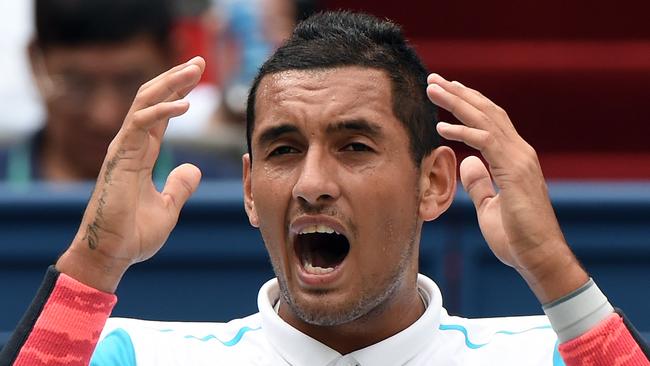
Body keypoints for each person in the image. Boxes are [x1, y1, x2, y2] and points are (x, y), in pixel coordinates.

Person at [1, 11, 648, 366]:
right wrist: (96, 261)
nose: (312, 184)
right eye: (284, 150)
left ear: (434, 183)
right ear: (250, 191)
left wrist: (555, 272)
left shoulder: (548, 356)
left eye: (354, 146)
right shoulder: (134, 355)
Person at [0, 0, 238, 184]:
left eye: (130, 84)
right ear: (35, 62)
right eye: (77, 84)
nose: (104, 116)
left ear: (172, 59)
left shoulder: (232, 198)